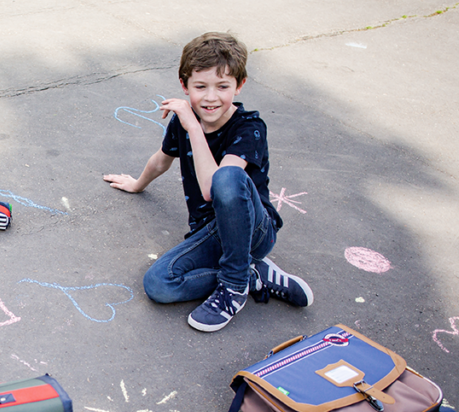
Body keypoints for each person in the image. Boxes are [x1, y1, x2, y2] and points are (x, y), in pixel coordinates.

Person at [104, 32, 312, 332]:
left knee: (227, 177)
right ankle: (253, 275)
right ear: (184, 85)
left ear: (239, 85)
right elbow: (162, 158)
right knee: (159, 284)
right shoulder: (183, 122)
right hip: (210, 231)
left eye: (222, 87)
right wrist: (138, 184)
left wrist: (192, 126)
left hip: (254, 230)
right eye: (200, 87)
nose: (211, 97)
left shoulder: (249, 128)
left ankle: (234, 285)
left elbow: (212, 189)